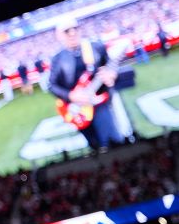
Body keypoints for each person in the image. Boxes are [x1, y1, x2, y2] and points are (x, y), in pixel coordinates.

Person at [47, 17, 134, 151]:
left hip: (100, 102)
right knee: (94, 145)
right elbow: (52, 85)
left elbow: (111, 69)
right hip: (76, 109)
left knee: (111, 142)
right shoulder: (57, 59)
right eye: (67, 31)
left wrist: (112, 76)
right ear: (59, 36)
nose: (72, 33)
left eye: (75, 28)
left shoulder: (96, 47)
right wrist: (70, 96)